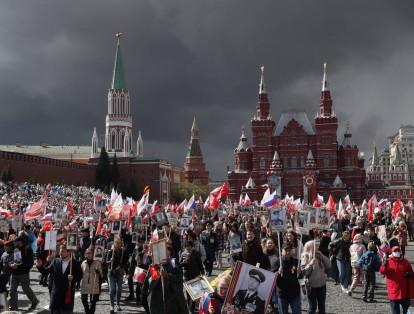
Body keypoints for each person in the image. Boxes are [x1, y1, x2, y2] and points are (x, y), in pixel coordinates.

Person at [141, 245, 188, 314]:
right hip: (158, 302)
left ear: (169, 252)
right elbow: (149, 284)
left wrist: (168, 276)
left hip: (172, 300)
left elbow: (179, 278)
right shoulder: (154, 266)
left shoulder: (173, 262)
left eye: (166, 250)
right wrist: (157, 270)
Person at [45, 243, 82, 314]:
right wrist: (40, 266)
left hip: (67, 295)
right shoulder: (55, 261)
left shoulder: (75, 263)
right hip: (56, 295)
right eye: (60, 251)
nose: (60, 253)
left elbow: (80, 275)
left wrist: (73, 278)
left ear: (69, 252)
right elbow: (46, 271)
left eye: (63, 252)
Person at [8, 234, 39, 311]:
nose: (14, 244)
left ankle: (34, 301)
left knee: (26, 289)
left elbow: (30, 264)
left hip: (23, 274)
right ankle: (13, 308)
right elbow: (11, 258)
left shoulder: (27, 249)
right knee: (12, 290)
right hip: (14, 273)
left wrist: (18, 266)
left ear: (20, 242)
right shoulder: (15, 249)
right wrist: (11, 263)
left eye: (15, 242)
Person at [380, 246, 413, 314]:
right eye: (395, 251)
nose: (397, 252)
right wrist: (384, 265)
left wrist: (409, 273)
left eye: (398, 250)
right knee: (395, 311)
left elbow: (411, 272)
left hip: (404, 291)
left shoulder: (405, 261)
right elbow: (382, 272)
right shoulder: (388, 261)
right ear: (392, 252)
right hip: (393, 290)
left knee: (405, 310)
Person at [301, 240, 330, 314]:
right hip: (311, 286)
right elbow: (304, 272)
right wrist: (310, 264)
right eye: (315, 245)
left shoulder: (319, 255)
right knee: (313, 306)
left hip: (322, 284)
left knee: (322, 305)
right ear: (310, 247)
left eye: (317, 245)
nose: (317, 247)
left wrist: (322, 256)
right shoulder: (305, 256)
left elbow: (329, 265)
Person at [107, 236, 128, 312]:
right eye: (116, 243)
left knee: (119, 289)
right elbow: (106, 262)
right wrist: (110, 260)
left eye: (119, 243)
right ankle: (111, 305)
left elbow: (126, 262)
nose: (118, 244)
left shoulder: (123, 251)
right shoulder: (110, 251)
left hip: (119, 273)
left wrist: (122, 267)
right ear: (114, 243)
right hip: (111, 272)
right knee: (112, 289)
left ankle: (118, 304)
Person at [81, 248, 102, 314]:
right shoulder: (83, 263)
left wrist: (98, 272)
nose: (89, 254)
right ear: (85, 255)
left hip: (94, 285)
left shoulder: (97, 263)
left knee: (93, 302)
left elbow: (102, 275)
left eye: (90, 253)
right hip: (85, 285)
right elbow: (81, 273)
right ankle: (87, 311)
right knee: (84, 300)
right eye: (87, 253)